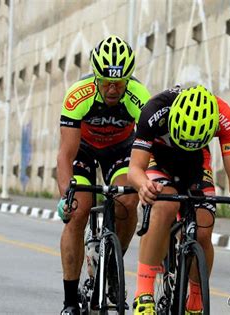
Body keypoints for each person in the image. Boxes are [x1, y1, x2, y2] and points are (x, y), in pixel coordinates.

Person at [128, 85, 230, 314]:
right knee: (165, 205)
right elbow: (134, 169)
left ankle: (196, 303)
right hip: (158, 159)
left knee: (203, 229)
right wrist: (144, 186)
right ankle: (144, 294)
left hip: (196, 164)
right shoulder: (155, 109)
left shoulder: (224, 117)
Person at [56, 35, 151, 314]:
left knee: (128, 201)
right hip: (83, 150)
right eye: (106, 82)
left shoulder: (139, 96)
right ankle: (70, 301)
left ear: (128, 79)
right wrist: (66, 195)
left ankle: (111, 266)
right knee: (78, 210)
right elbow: (65, 154)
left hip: (121, 150)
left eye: (119, 82)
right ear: (96, 76)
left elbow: (149, 147)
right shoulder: (78, 95)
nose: (112, 89)